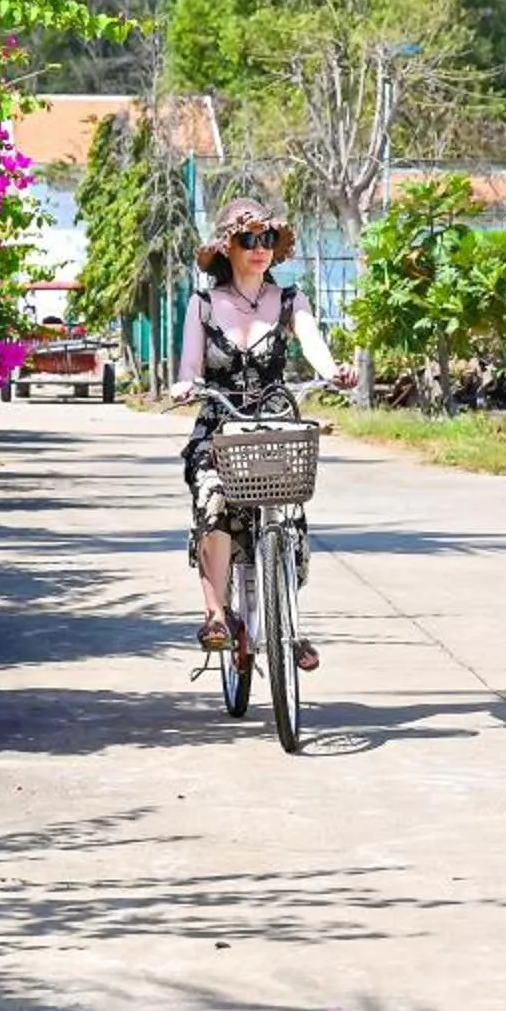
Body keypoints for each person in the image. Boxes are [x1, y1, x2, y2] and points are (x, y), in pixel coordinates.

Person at [172, 196, 341, 665]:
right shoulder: (203, 304)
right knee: (213, 497)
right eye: (248, 240)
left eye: (266, 239)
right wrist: (186, 384)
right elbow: (190, 364)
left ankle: (289, 622)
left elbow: (314, 345)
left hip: (274, 420)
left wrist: (334, 371)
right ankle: (216, 616)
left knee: (287, 510)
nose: (259, 248)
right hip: (220, 422)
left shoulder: (289, 299)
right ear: (228, 248)